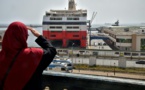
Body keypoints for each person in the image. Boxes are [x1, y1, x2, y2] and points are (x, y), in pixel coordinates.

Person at [0, 21, 57, 90]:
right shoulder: (33, 54)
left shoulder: (2, 56)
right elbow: (52, 50)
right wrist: (39, 36)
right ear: (23, 37)